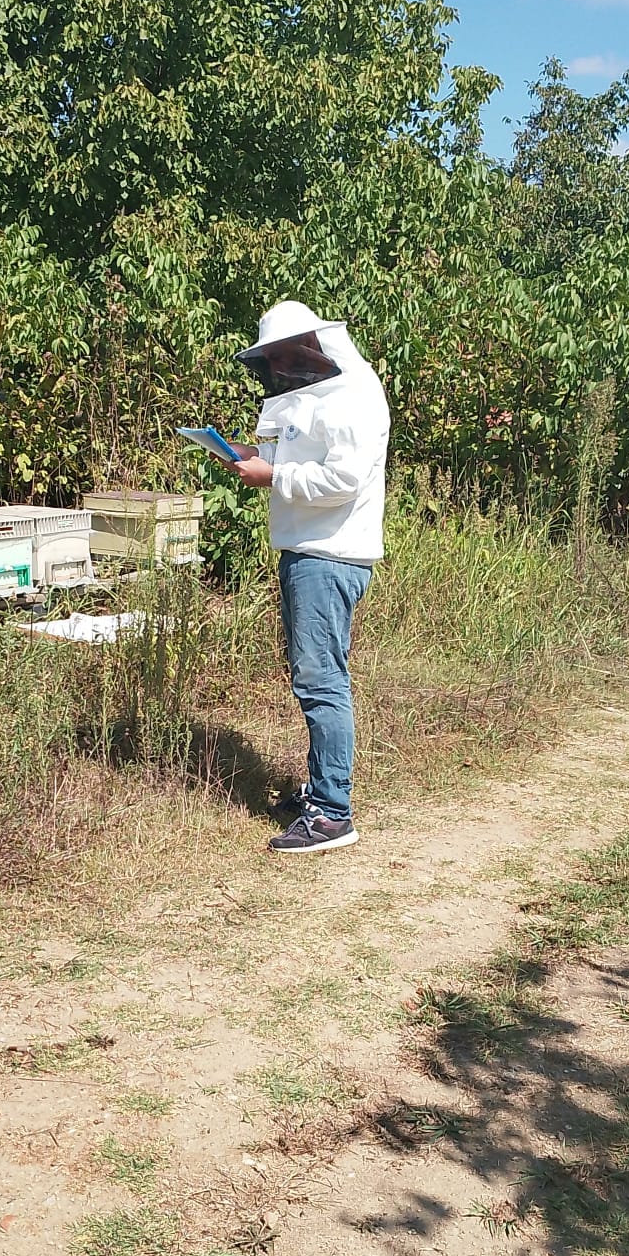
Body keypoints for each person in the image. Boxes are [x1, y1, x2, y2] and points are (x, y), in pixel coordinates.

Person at [229, 300, 390, 855]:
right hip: (308, 552)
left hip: (330, 555)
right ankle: (321, 792)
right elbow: (297, 455)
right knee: (315, 676)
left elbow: (343, 479)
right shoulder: (313, 395)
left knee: (322, 681)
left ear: (311, 348)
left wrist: (270, 473)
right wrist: (251, 455)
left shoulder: (354, 395)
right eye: (270, 360)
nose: (278, 369)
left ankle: (332, 814)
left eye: (282, 357)